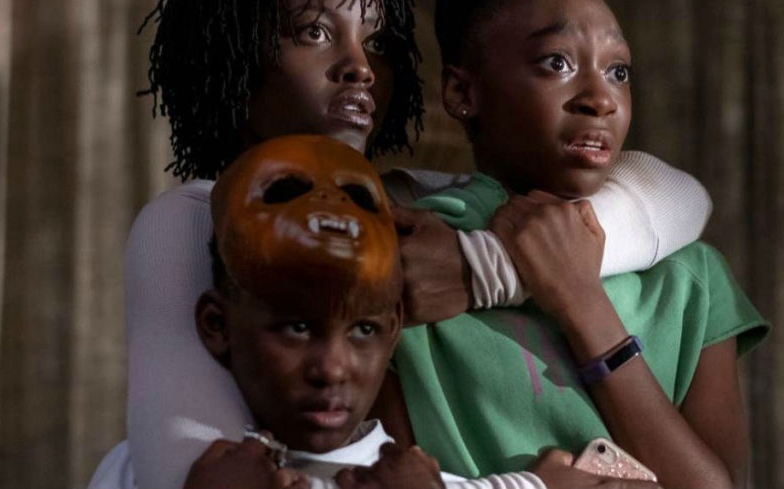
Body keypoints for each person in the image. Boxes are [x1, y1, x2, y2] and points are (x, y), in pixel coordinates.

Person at [111, 0, 714, 488]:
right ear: (232, 53)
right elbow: (202, 478)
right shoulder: (190, 217)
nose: (360, 68)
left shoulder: (406, 202)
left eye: (377, 42)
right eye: (315, 32)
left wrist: (483, 267)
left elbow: (680, 197)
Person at [380, 0, 770, 489]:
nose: (600, 99)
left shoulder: (690, 279)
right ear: (462, 93)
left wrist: (582, 301)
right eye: (556, 63)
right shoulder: (412, 255)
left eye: (618, 72)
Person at [185, 134, 646, 489]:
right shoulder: (175, 465)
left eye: (364, 330)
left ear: (393, 331)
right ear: (216, 325)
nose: (332, 368)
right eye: (298, 327)